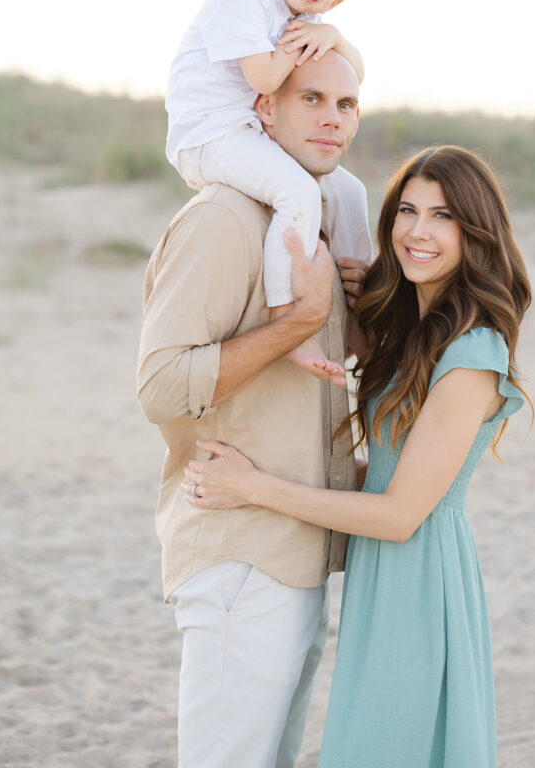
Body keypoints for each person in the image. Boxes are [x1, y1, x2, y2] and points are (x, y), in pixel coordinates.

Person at [183, 145, 533, 768]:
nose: (418, 232)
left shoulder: (474, 352)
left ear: (476, 233)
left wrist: (254, 486)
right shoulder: (421, 331)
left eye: (443, 216)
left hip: (420, 577)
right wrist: (356, 310)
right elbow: (387, 464)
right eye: (407, 211)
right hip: (383, 573)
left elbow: (400, 513)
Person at [137, 51, 369, 768]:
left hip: (301, 551)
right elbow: (162, 388)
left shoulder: (317, 213)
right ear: (263, 108)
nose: (333, 118)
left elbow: (330, 375)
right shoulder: (223, 220)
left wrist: (356, 308)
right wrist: (298, 324)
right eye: (312, 99)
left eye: (347, 103)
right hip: (241, 555)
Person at [165, 0, 379, 384]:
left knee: (350, 193)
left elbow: (355, 74)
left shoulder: (308, 14)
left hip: (252, 130)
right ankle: (290, 319)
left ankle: (363, 315)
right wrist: (301, 43)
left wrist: (333, 36)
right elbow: (263, 76)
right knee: (297, 192)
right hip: (210, 135)